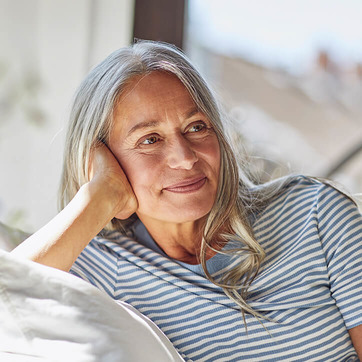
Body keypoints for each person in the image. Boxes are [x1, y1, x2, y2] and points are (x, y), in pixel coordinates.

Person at [12, 40, 362, 361]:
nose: (185, 157)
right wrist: (97, 198)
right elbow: (7, 305)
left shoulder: (315, 213)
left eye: (196, 127)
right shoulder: (99, 264)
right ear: (102, 159)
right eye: (149, 140)